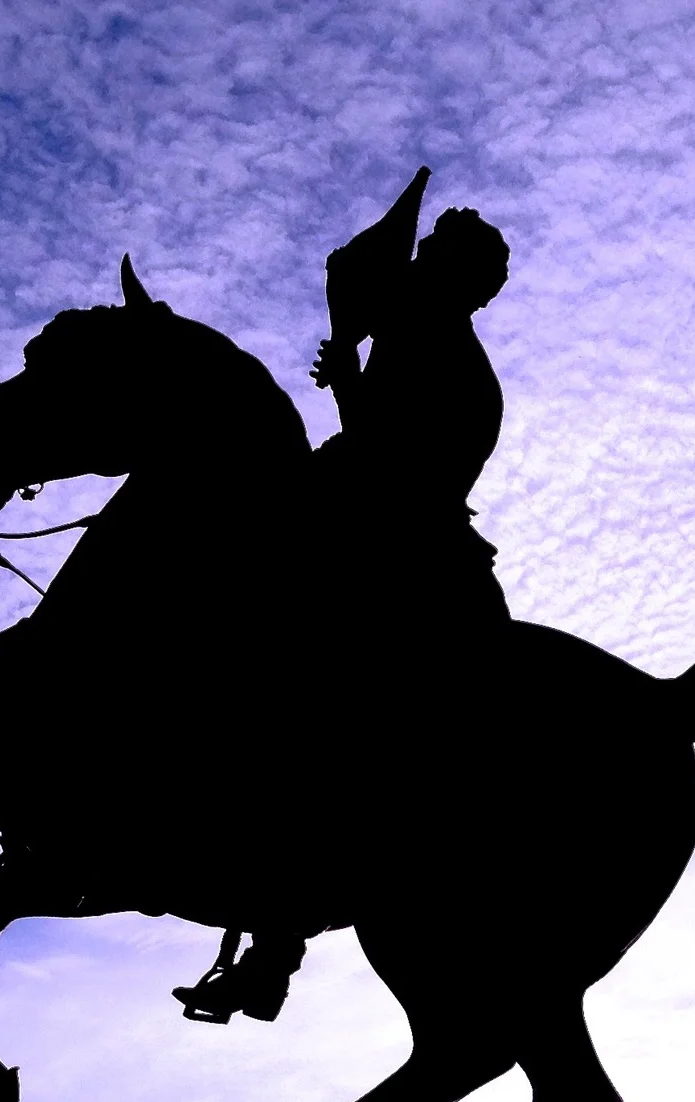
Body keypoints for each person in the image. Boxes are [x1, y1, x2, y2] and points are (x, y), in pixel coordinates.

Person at [174, 170, 516, 1024]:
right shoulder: (416, 331)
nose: (419, 260)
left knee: (316, 708)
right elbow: (369, 435)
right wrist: (352, 378)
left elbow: (398, 467)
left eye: (435, 254)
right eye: (425, 248)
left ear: (465, 281)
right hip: (359, 510)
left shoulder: (459, 367)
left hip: (401, 553)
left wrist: (350, 383)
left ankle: (273, 949)